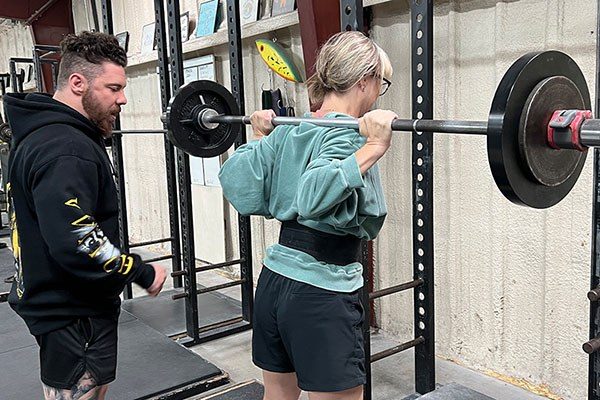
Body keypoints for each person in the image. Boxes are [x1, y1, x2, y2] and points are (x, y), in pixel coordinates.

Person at [219, 31, 396, 400]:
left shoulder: (293, 129)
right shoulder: (347, 136)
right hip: (321, 292)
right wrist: (375, 146)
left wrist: (262, 138)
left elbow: (237, 183)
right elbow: (313, 195)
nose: (380, 92)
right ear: (364, 81)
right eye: (382, 82)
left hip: (274, 284)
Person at [3, 31, 168, 400]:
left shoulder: (39, 136)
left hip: (61, 307)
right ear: (78, 83)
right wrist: (139, 271)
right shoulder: (66, 148)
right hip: (73, 314)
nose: (122, 98)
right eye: (113, 88)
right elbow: (77, 240)